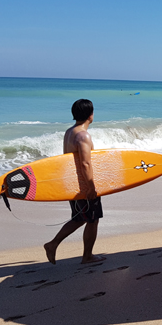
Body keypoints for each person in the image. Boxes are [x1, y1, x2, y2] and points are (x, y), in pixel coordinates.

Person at [44, 99, 105, 265]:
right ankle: (87, 256)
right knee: (92, 219)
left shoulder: (69, 132)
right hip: (83, 185)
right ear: (90, 115)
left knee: (80, 218)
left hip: (72, 183)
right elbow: (85, 163)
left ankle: (53, 244)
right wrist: (91, 187)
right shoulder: (83, 135)